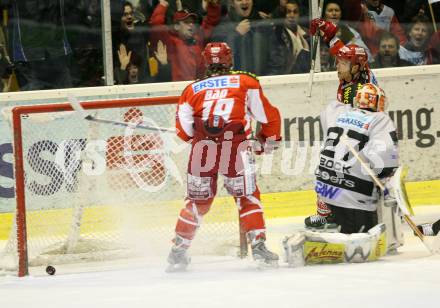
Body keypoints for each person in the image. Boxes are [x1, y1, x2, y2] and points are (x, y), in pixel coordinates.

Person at [167, 42, 282, 271]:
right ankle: (258, 247)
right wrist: (265, 141)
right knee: (247, 196)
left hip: (202, 149)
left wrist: (203, 140)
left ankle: (177, 251)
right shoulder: (245, 81)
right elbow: (269, 117)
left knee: (197, 202)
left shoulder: (191, 90)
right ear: (230, 60)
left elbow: (183, 131)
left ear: (205, 62)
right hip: (235, 146)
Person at [304, 17, 380, 229]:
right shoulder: (355, 75)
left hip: (362, 145)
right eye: (339, 61)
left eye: (343, 63)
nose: (338, 66)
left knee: (327, 167)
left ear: (355, 67)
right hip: (357, 141)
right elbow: (342, 51)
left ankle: (330, 215)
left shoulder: (358, 91)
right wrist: (328, 33)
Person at [315, 82, 399, 234]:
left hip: (324, 189)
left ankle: (328, 222)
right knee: (363, 239)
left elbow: (325, 116)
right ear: (378, 101)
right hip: (355, 194)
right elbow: (384, 161)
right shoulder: (380, 119)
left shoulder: (336, 111)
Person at [149, 0, 221, 81]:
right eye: (186, 22)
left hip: (196, 88)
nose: (191, 25)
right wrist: (163, 3)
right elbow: (156, 24)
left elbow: (210, 22)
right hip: (177, 89)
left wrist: (213, 5)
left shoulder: (198, 40)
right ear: (176, 26)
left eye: (193, 22)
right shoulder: (169, 42)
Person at [266, 0, 310, 75]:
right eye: (288, 12)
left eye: (295, 12)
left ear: (299, 15)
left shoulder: (307, 34)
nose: (292, 15)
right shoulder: (277, 35)